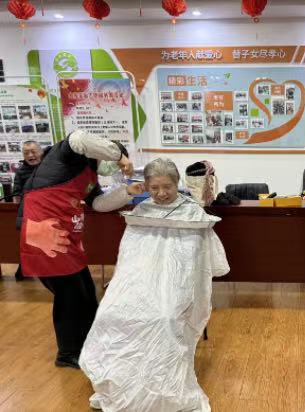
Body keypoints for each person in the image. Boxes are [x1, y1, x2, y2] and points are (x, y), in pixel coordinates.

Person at [80, 158, 229, 412]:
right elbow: (129, 260)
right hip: (139, 283)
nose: (161, 193)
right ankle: (125, 380)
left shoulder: (193, 213)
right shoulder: (141, 212)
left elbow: (200, 264)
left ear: (177, 183)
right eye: (154, 188)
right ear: (146, 186)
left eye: (167, 187)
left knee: (164, 318)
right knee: (108, 314)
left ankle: (161, 386)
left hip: (178, 287)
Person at [17, 130, 144, 369]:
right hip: (46, 236)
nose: (113, 167)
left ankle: (90, 343)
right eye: (111, 160)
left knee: (85, 291)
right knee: (69, 297)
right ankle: (68, 353)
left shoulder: (89, 175)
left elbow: (98, 204)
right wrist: (120, 156)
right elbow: (78, 137)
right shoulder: (67, 154)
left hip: (68, 240)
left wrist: (128, 192)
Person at [12, 141, 44, 281]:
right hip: (29, 213)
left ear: (41, 152)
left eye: (33, 152)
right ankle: (23, 272)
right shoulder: (20, 172)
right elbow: (16, 194)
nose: (30, 155)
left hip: (48, 212)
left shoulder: (49, 167)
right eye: (26, 153)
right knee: (29, 245)